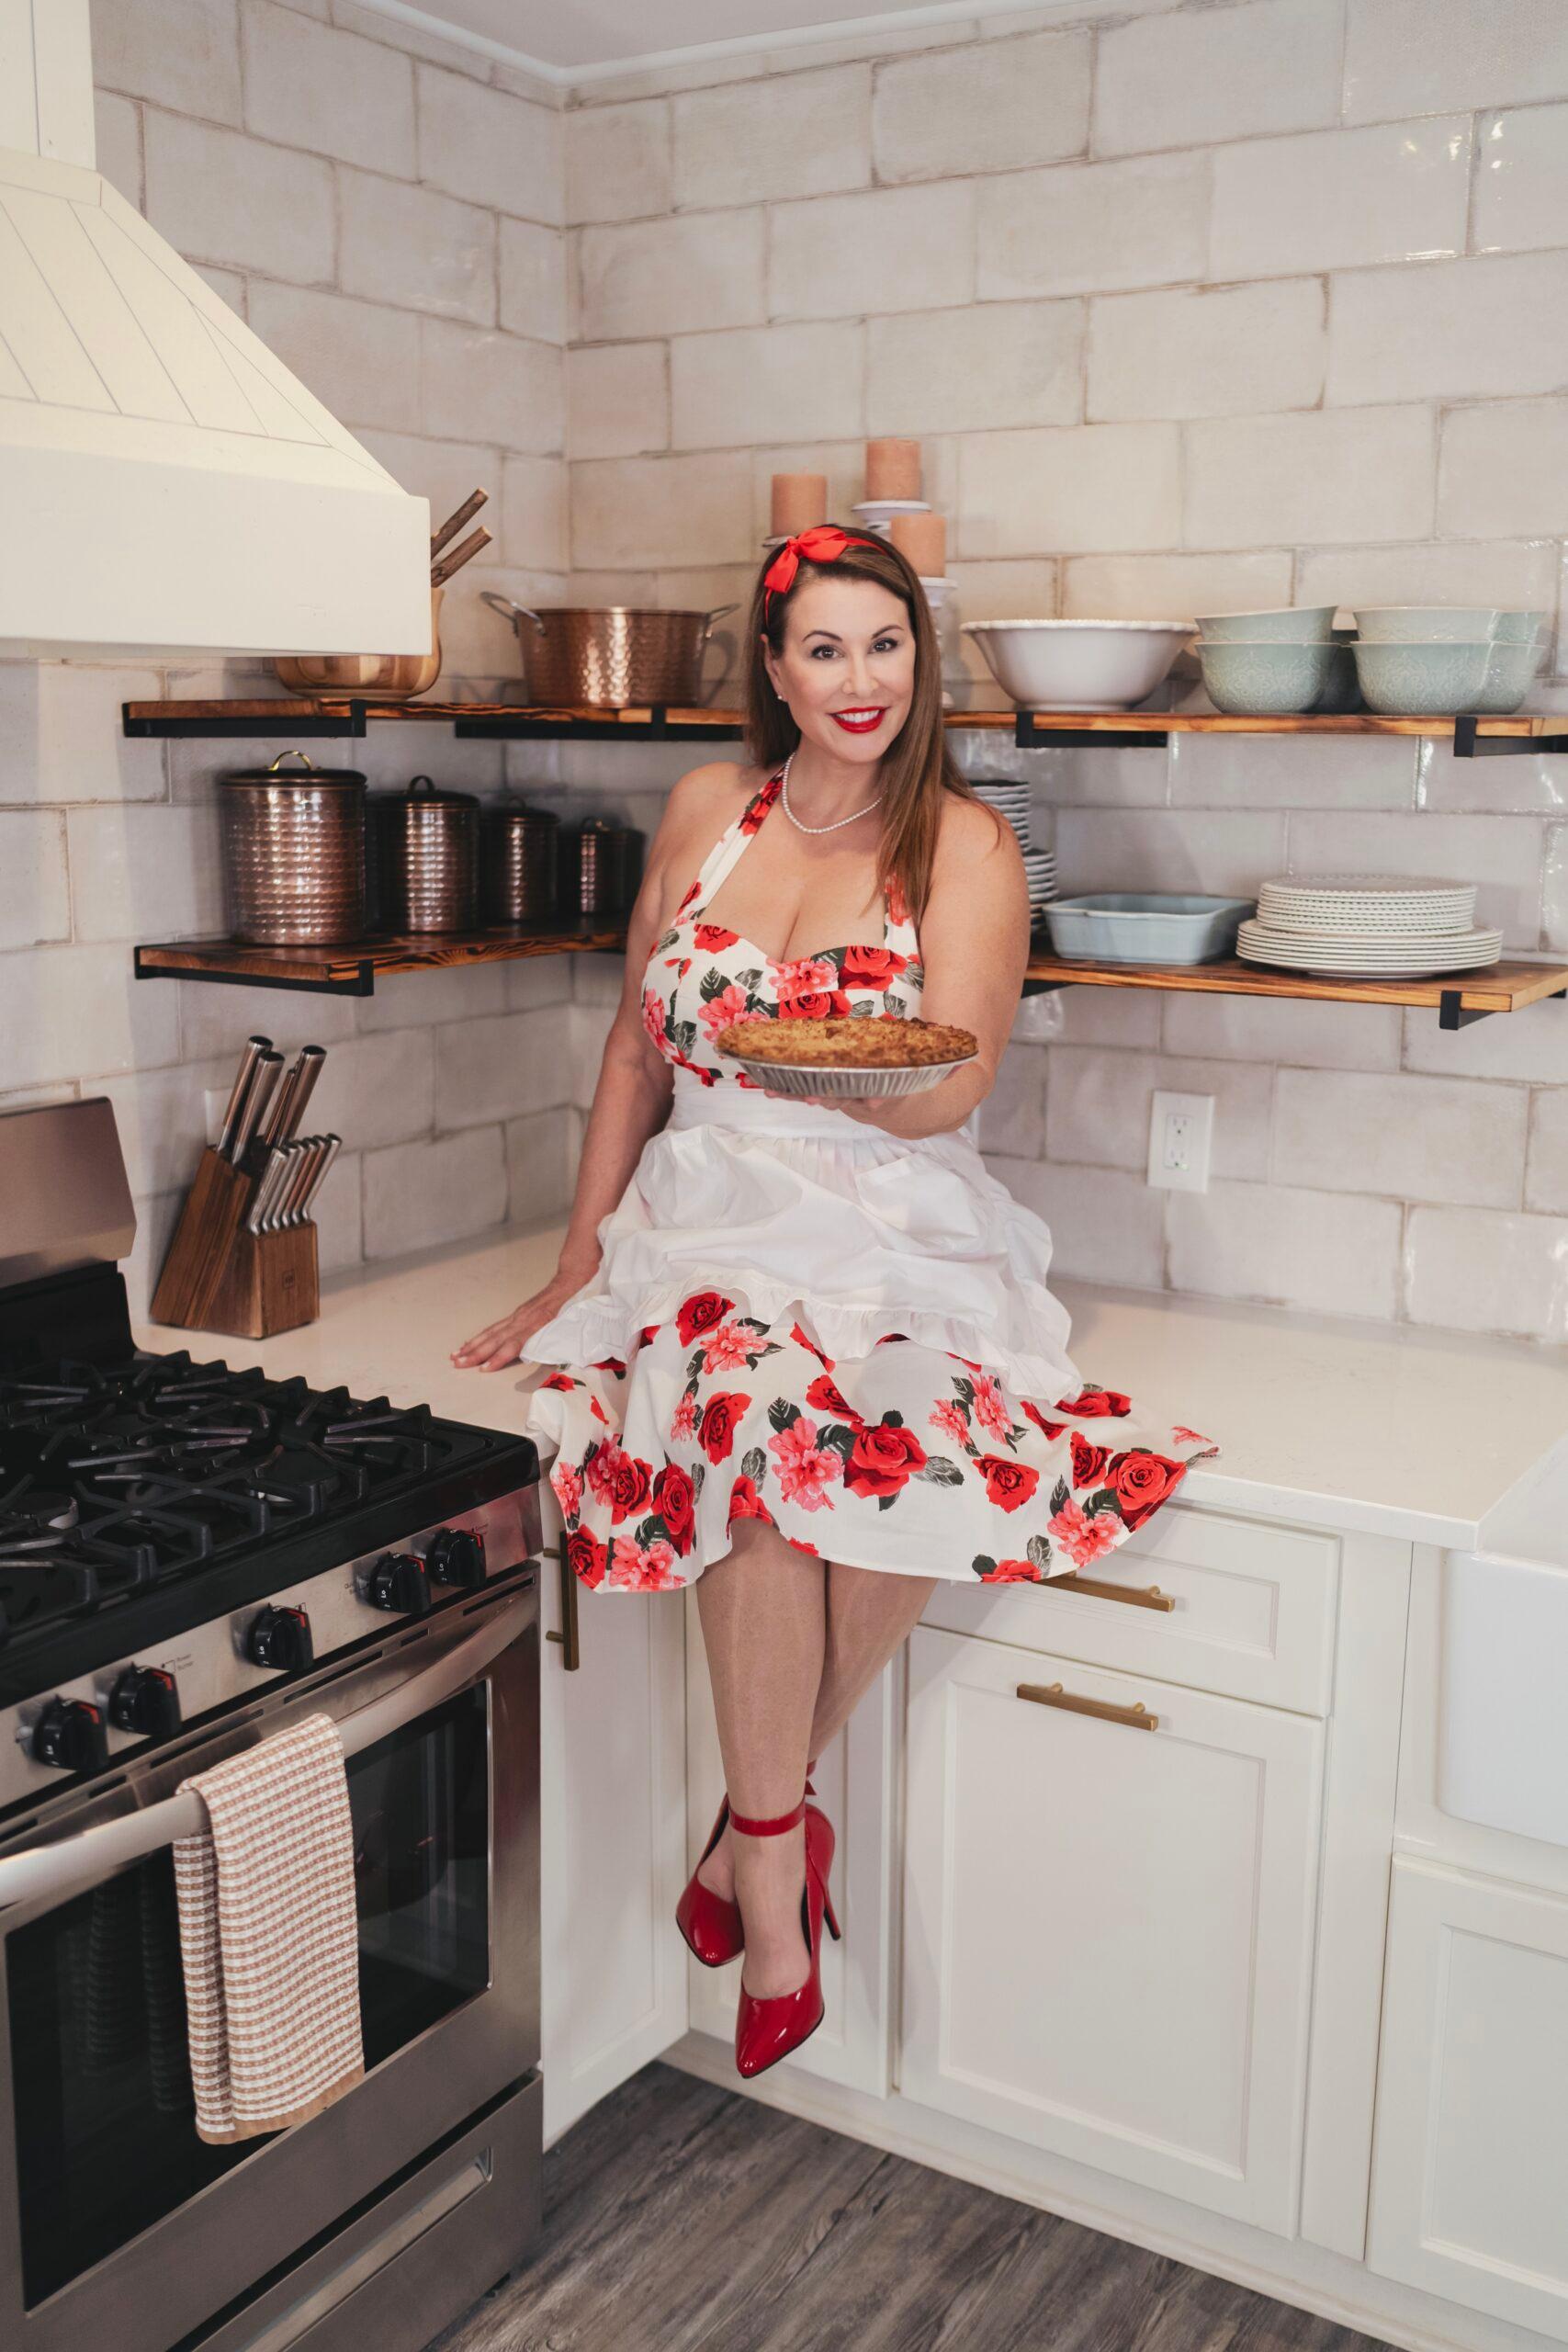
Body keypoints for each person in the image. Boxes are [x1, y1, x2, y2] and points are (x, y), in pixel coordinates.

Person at [454, 525, 1217, 2080]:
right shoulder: (701, 814)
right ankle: (779, 1880)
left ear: (919, 661)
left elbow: (955, 1086)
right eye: (824, 648)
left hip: (895, 1211)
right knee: (753, 1421)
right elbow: (631, 1058)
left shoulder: (967, 851)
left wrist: (826, 1075)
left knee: (910, 1426)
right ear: (778, 667)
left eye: (885, 644)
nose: (858, 680)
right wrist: (578, 1255)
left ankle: (755, 1834)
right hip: (708, 1215)